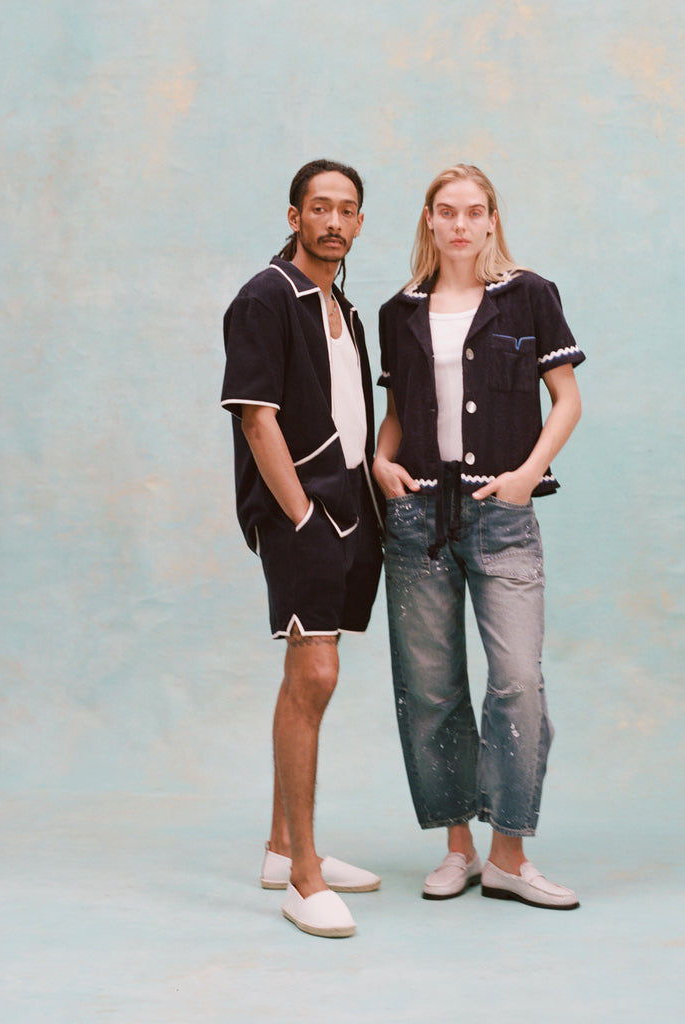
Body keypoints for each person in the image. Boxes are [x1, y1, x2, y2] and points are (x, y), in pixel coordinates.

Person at [373, 164, 584, 910]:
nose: (460, 225)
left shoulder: (530, 295)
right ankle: (457, 848)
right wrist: (379, 458)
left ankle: (508, 854)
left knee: (517, 682)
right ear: (428, 221)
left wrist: (529, 472)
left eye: (474, 211)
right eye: (446, 212)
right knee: (430, 691)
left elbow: (567, 400)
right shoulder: (398, 311)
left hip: (502, 511)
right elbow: (401, 410)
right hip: (418, 516)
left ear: (492, 220)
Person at [221, 159, 384, 938]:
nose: (332, 221)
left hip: (352, 507)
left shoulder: (343, 309)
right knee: (314, 670)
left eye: (346, 210)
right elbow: (257, 417)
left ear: (358, 224)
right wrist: (301, 516)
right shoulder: (265, 295)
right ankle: (306, 878)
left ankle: (283, 848)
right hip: (303, 512)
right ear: (294, 216)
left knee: (313, 676)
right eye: (319, 207)